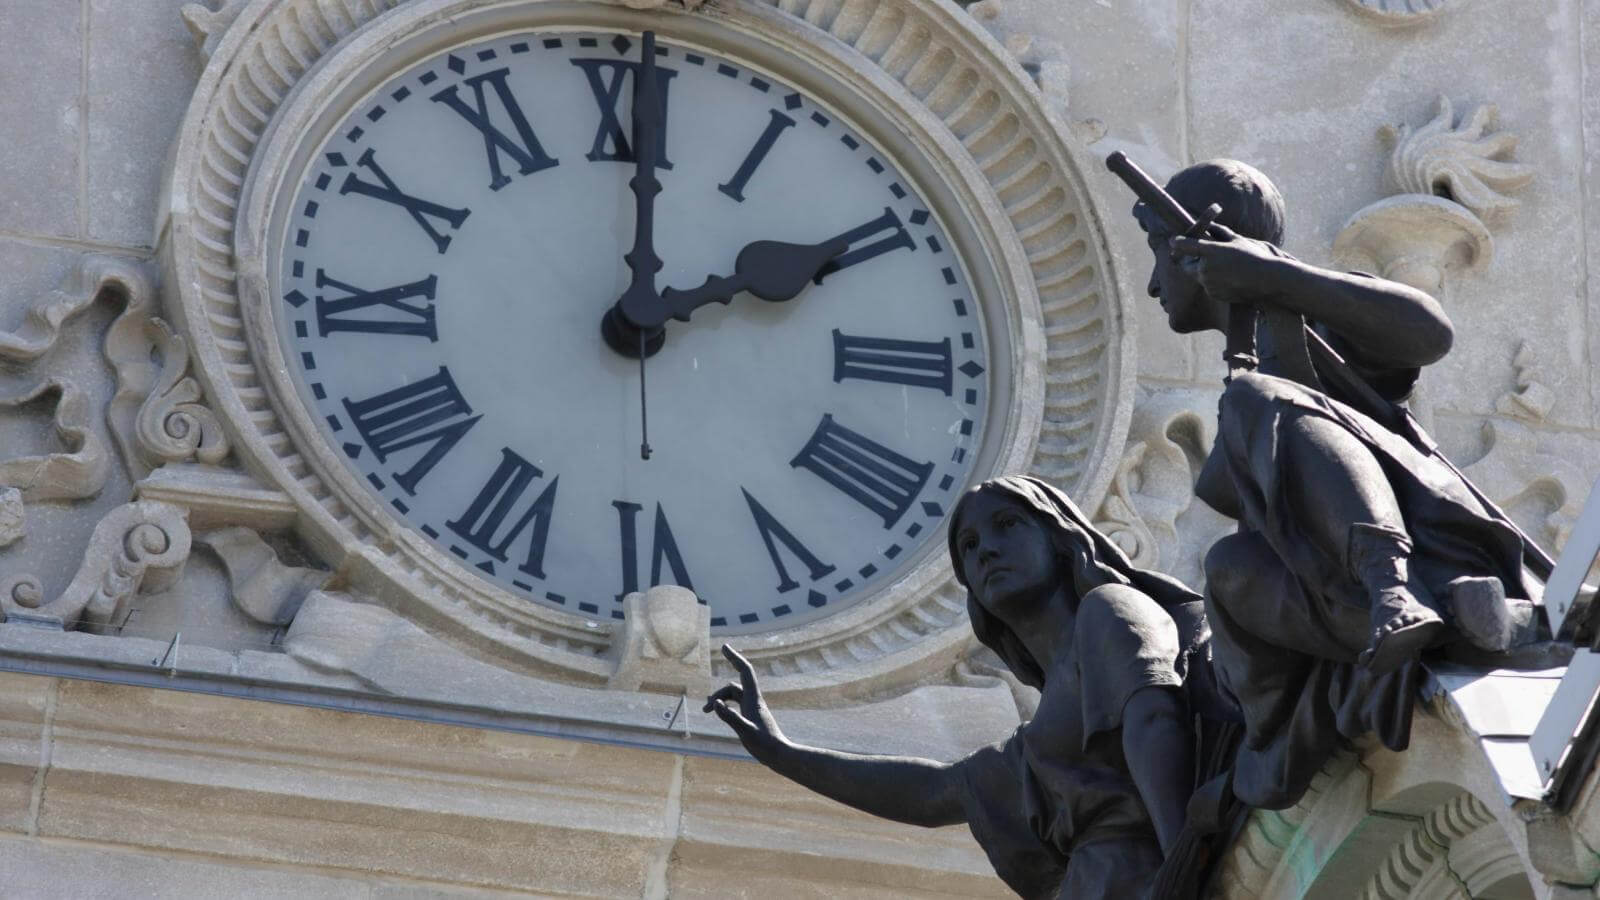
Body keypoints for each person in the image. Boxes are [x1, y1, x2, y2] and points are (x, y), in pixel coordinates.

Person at [1137, 159, 1545, 809]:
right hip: (1332, 594)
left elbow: (1429, 330)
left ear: (1192, 250)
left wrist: (1277, 281)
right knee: (1229, 564)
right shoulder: (1248, 362)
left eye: (1158, 251)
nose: (1154, 283)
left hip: (1425, 549)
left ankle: (1398, 596)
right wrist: (1253, 340)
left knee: (1255, 404)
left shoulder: (1317, 310)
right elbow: (1229, 493)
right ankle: (1418, 637)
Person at [704, 475, 1223, 899]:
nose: (987, 551)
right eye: (969, 546)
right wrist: (780, 752)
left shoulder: (1108, 611)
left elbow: (1154, 720)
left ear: (1060, 539)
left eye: (1007, 525)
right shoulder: (1038, 742)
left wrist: (1182, 862)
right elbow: (933, 793)